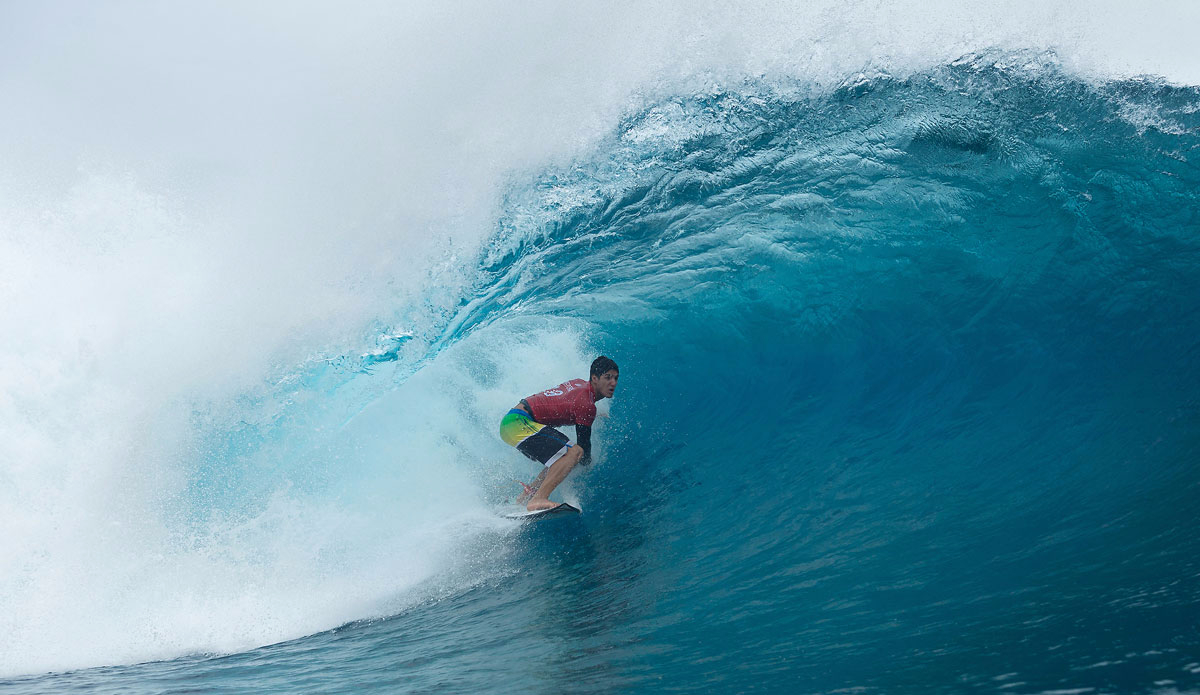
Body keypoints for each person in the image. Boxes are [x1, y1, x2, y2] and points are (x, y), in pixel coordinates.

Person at [499, 356, 619, 511]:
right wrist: (587, 464)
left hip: (511, 423)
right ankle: (539, 499)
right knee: (575, 452)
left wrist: (591, 415)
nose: (613, 383)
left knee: (561, 457)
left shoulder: (579, 385)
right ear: (594, 378)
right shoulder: (586, 406)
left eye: (616, 378)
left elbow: (565, 401)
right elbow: (584, 448)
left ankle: (525, 497)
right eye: (607, 378)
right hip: (519, 423)